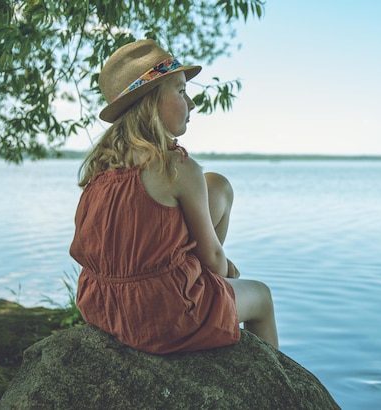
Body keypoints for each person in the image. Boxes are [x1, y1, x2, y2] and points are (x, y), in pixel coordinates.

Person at [69, 39, 278, 353]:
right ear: (151, 101)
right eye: (181, 91)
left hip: (102, 308)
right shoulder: (177, 168)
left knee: (217, 185)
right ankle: (276, 388)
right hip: (165, 314)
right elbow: (215, 262)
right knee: (261, 296)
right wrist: (221, 270)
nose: (191, 103)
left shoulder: (99, 172)